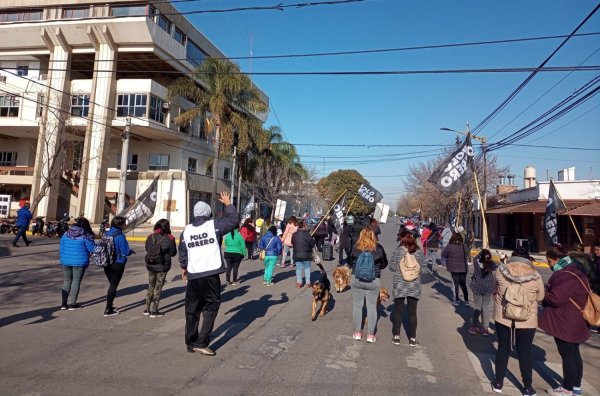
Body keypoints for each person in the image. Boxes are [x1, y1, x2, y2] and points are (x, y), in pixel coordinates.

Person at [179, 192, 238, 356]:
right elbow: (233, 221)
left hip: (193, 276)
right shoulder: (214, 225)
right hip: (210, 274)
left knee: (192, 310)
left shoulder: (187, 230)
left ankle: (190, 342)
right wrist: (228, 204)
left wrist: (184, 267)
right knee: (210, 308)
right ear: (208, 214)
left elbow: (183, 251)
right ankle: (201, 342)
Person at [491, 249, 544, 396]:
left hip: (503, 315)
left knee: (503, 348)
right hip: (527, 318)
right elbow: (540, 297)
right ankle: (527, 387)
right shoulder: (535, 276)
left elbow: (495, 287)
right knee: (525, 352)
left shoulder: (501, 271)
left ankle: (498, 382)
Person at [540, 246, 590, 396]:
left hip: (566, 321)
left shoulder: (566, 274)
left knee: (568, 354)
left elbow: (557, 298)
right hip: (576, 320)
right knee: (574, 353)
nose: (549, 265)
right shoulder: (576, 270)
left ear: (557, 260)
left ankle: (567, 388)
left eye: (549, 261)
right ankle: (576, 386)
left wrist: (543, 293)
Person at [350, 227, 388, 343]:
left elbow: (350, 261)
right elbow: (384, 263)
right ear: (373, 235)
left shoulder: (356, 247)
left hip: (357, 278)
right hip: (373, 279)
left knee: (357, 306)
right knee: (371, 307)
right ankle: (370, 335)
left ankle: (357, 333)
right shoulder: (378, 248)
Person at [389, 230, 426, 347]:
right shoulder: (419, 253)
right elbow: (424, 270)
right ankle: (413, 339)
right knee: (412, 313)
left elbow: (391, 267)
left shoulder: (398, 252)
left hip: (400, 285)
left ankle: (396, 337)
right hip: (414, 286)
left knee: (398, 311)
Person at [59, 217, 96, 310]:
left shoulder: (66, 234)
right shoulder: (86, 236)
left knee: (67, 281)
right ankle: (72, 304)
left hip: (65, 261)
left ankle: (63, 304)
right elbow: (93, 249)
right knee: (76, 282)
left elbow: (61, 247)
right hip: (79, 262)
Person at [143, 219, 177, 317]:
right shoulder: (170, 238)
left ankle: (147, 309)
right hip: (162, 266)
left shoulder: (150, 236)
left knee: (151, 286)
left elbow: (146, 248)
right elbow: (173, 253)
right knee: (158, 287)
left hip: (150, 264)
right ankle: (154, 310)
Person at [103, 216, 134, 317]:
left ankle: (110, 306)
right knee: (113, 286)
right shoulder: (120, 236)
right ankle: (108, 309)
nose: (125, 225)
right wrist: (130, 251)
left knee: (111, 284)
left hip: (107, 262)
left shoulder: (107, 233)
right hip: (118, 263)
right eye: (124, 223)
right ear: (120, 225)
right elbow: (125, 251)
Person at [469, 249, 497, 335]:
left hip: (477, 287)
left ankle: (473, 327)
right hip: (488, 288)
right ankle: (485, 328)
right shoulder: (492, 264)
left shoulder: (477, 263)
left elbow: (475, 258)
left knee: (477, 307)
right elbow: (495, 273)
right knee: (486, 307)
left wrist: (482, 253)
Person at [441, 233, 470, 306]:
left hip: (453, 268)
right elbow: (468, 254)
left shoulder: (449, 246)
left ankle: (456, 300)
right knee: (463, 284)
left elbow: (444, 255)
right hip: (463, 268)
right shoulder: (464, 246)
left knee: (455, 284)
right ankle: (466, 300)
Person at [291, 219, 316, 288]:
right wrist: (312, 239)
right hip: (306, 254)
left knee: (298, 268)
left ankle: (299, 282)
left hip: (297, 254)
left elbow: (292, 242)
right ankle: (308, 283)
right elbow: (312, 244)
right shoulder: (307, 235)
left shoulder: (294, 235)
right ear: (304, 227)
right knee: (307, 268)